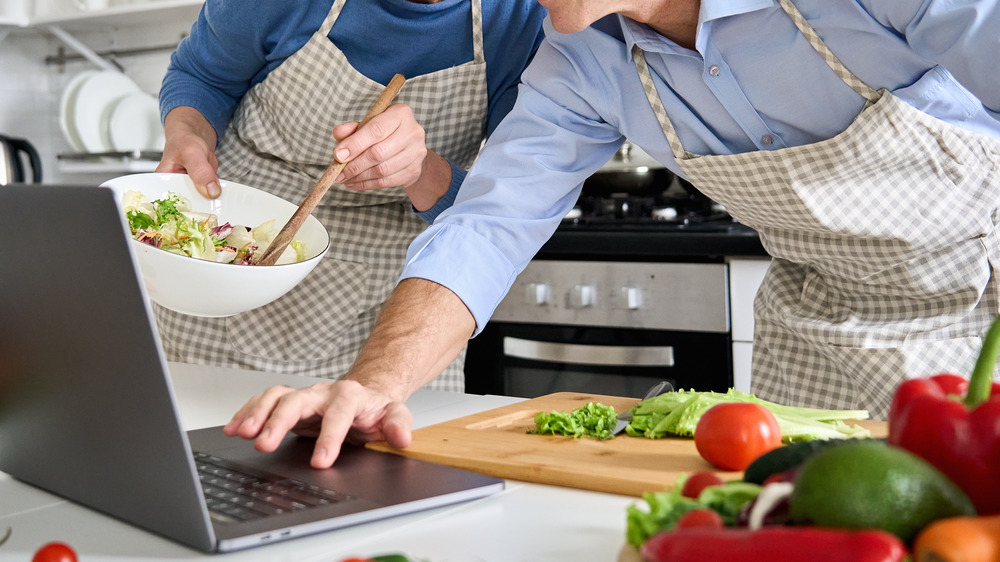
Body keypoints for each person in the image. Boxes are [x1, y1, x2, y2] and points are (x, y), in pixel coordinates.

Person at [224, 0, 1000, 468]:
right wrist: (374, 386)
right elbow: (488, 227)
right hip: (816, 341)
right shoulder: (578, 63)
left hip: (982, 328)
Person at [154, 0, 547, 390]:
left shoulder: (525, 17)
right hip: (235, 260)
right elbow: (202, 75)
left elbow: (502, 210)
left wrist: (421, 169)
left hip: (402, 297)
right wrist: (188, 134)